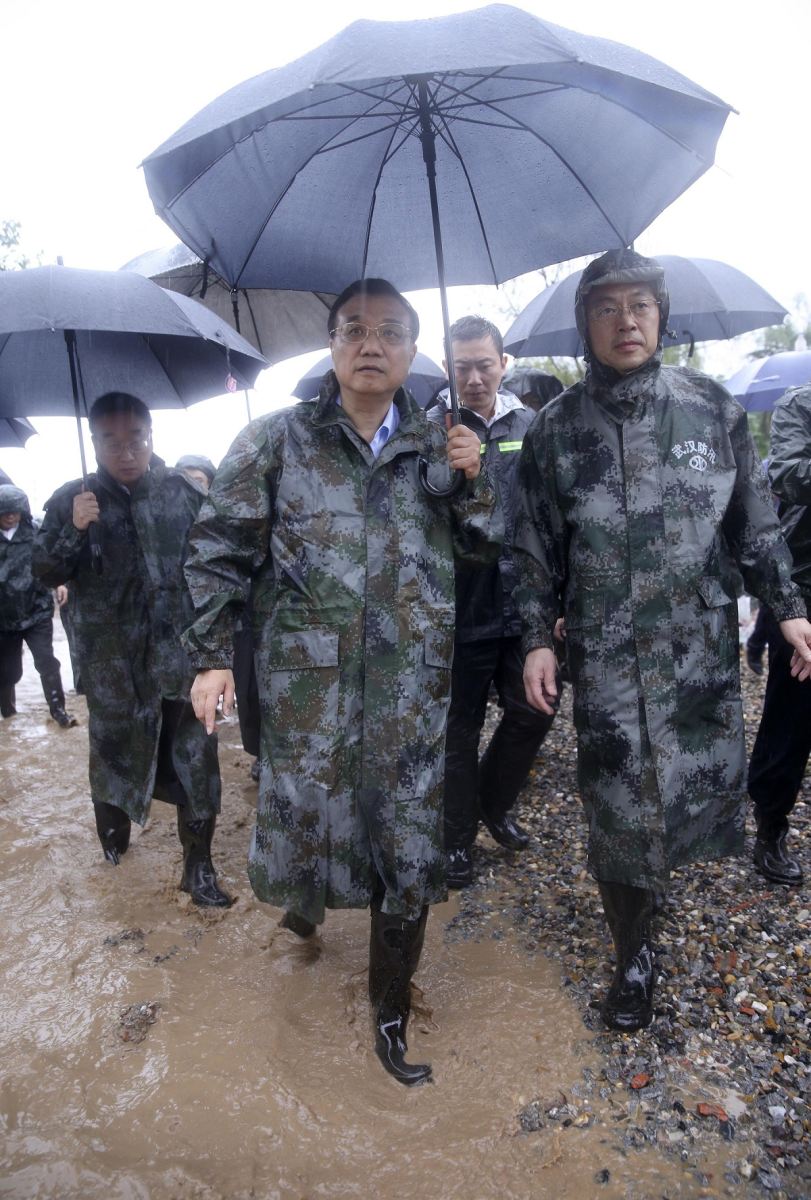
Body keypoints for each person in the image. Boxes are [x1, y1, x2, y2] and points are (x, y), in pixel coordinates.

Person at [183, 278, 502, 1085]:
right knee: (310, 824)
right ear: (330, 344)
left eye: (390, 331)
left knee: (406, 846)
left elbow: (485, 555)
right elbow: (218, 549)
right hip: (307, 694)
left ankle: (389, 1013)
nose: (371, 343)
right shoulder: (274, 443)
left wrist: (475, 485)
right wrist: (212, 655)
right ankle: (306, 905)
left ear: (410, 351)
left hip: (410, 695)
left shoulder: (444, 447)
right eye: (354, 328)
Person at [514, 249, 811, 1033]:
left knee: (684, 787)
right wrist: (533, 640)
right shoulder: (554, 430)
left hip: (693, 647)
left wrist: (786, 607)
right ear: (584, 323)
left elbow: (752, 518)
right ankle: (633, 953)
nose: (625, 321)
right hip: (607, 653)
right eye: (606, 308)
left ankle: (657, 885)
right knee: (615, 800)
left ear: (660, 315)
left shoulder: (709, 407)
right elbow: (530, 551)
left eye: (639, 305)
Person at [33, 393, 230, 907]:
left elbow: (216, 570)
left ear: (151, 436)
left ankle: (198, 867)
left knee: (196, 760)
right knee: (113, 754)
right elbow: (44, 572)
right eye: (111, 441)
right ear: (95, 442)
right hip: (110, 664)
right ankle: (114, 847)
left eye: (135, 438)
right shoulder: (69, 499)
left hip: (179, 660)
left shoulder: (183, 494)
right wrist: (74, 530)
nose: (125, 451)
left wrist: (216, 652)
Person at [427, 316, 557, 888]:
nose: (474, 378)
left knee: (536, 709)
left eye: (485, 364)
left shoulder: (532, 425)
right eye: (463, 368)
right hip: (459, 606)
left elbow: (552, 512)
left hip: (526, 602)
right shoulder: (429, 430)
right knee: (459, 728)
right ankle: (455, 840)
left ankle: (491, 802)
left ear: (503, 364)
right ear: (449, 370)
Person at [747, 384, 811, 886]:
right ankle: (770, 826)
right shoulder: (800, 403)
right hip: (804, 584)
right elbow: (787, 473)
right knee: (792, 716)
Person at [0, 484, 76, 726]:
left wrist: (60, 583)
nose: (11, 516)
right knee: (7, 669)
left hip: (37, 610)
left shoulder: (35, 533)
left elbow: (52, 561)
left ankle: (59, 712)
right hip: (4, 615)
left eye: (15, 511)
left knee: (46, 661)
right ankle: (8, 714)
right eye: (5, 512)